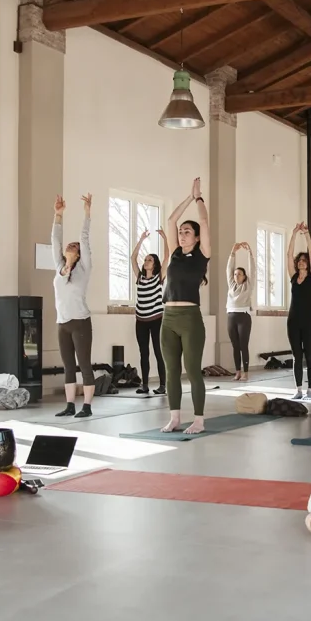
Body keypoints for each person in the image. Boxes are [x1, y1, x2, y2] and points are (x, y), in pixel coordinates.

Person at [160, 177, 211, 434]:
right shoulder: (175, 252)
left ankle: (199, 420)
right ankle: (175, 418)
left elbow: (203, 221)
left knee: (192, 370)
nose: (181, 234)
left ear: (197, 237)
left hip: (190, 318)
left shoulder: (202, 254)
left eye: (187, 231)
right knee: (171, 372)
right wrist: (188, 197)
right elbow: (170, 220)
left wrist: (199, 198)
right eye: (181, 232)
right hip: (168, 317)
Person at [52, 192, 95, 419]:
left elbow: (84, 238)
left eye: (75, 246)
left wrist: (87, 214)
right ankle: (70, 405)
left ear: (79, 254)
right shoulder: (60, 266)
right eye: (70, 244)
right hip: (62, 323)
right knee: (68, 366)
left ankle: (86, 406)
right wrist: (58, 215)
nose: (71, 244)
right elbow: (55, 241)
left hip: (80, 323)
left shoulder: (83, 269)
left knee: (84, 365)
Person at [131, 228, 170, 395]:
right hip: (141, 320)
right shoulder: (139, 277)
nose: (146, 262)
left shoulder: (158, 277)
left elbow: (167, 257)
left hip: (156, 320)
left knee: (158, 351)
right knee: (143, 352)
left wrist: (166, 239)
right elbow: (132, 258)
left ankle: (162, 385)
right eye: (146, 259)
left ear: (155, 265)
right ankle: (145, 385)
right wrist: (140, 240)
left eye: (150, 260)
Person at [287, 223, 311, 399]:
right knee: (296, 356)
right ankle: (299, 389)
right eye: (299, 260)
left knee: (310, 355)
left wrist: (307, 235)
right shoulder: (293, 277)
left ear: (308, 264)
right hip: (293, 320)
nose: (301, 262)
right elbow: (288, 254)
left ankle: (310, 391)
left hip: (309, 320)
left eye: (304, 260)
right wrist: (293, 234)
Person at [226, 241, 255, 382]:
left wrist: (250, 253)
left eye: (239, 274)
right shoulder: (231, 285)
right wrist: (233, 252)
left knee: (243, 345)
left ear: (244, 277)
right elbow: (228, 269)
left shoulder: (248, 286)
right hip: (231, 316)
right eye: (235, 274)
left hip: (243, 317)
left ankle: (246, 372)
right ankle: (237, 372)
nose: (236, 276)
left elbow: (252, 270)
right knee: (235, 346)